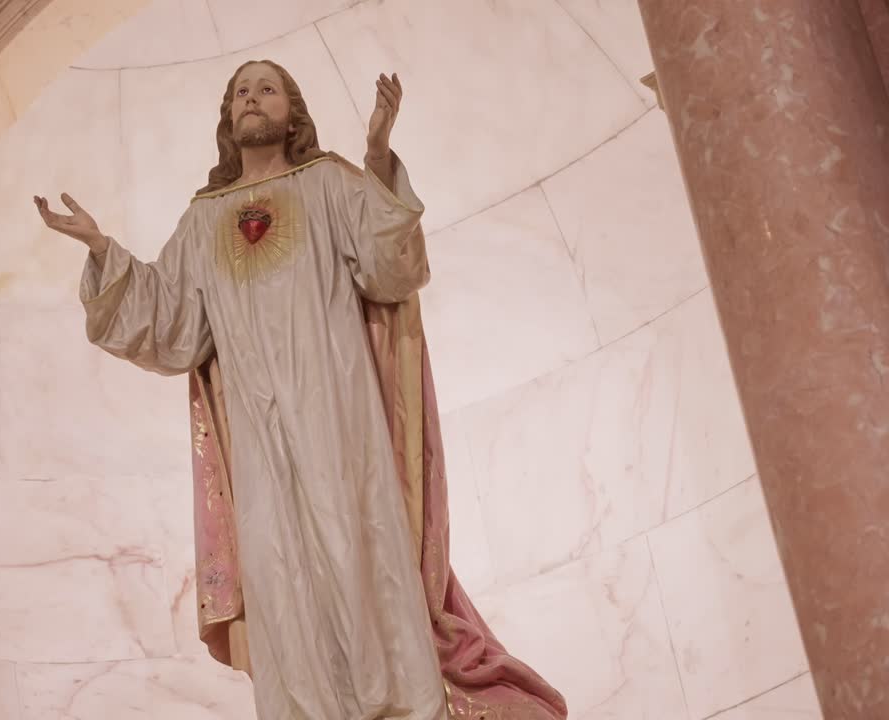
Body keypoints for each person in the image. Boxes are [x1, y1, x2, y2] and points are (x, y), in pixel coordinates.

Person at [36, 60, 567, 720]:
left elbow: (391, 268)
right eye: (240, 92)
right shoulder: (205, 219)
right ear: (227, 119)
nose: (252, 99)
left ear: (294, 111)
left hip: (339, 411)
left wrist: (376, 157)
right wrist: (100, 249)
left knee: (356, 543)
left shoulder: (328, 182)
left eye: (267, 88)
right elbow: (168, 322)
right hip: (258, 434)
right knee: (278, 568)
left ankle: (398, 702)